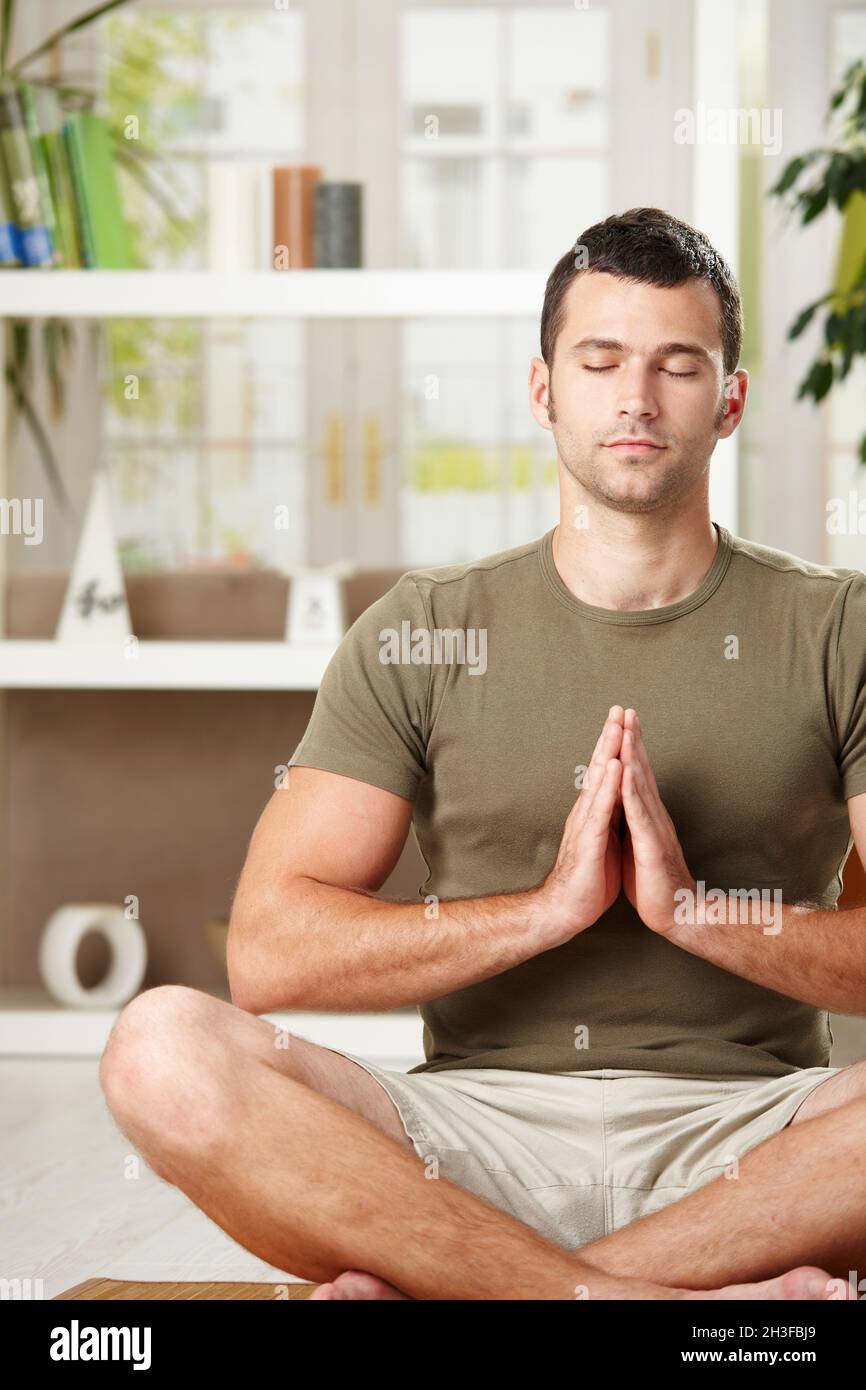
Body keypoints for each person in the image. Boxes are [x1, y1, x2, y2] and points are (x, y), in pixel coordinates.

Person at [100, 208, 866, 1301]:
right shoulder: (422, 630)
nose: (635, 399)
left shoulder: (839, 629)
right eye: (598, 361)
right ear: (542, 391)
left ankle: (477, 1293)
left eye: (676, 366)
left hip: (755, 1140)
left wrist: (697, 913)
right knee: (158, 1044)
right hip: (458, 1146)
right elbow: (269, 955)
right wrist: (544, 908)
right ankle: (669, 1302)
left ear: (729, 400)